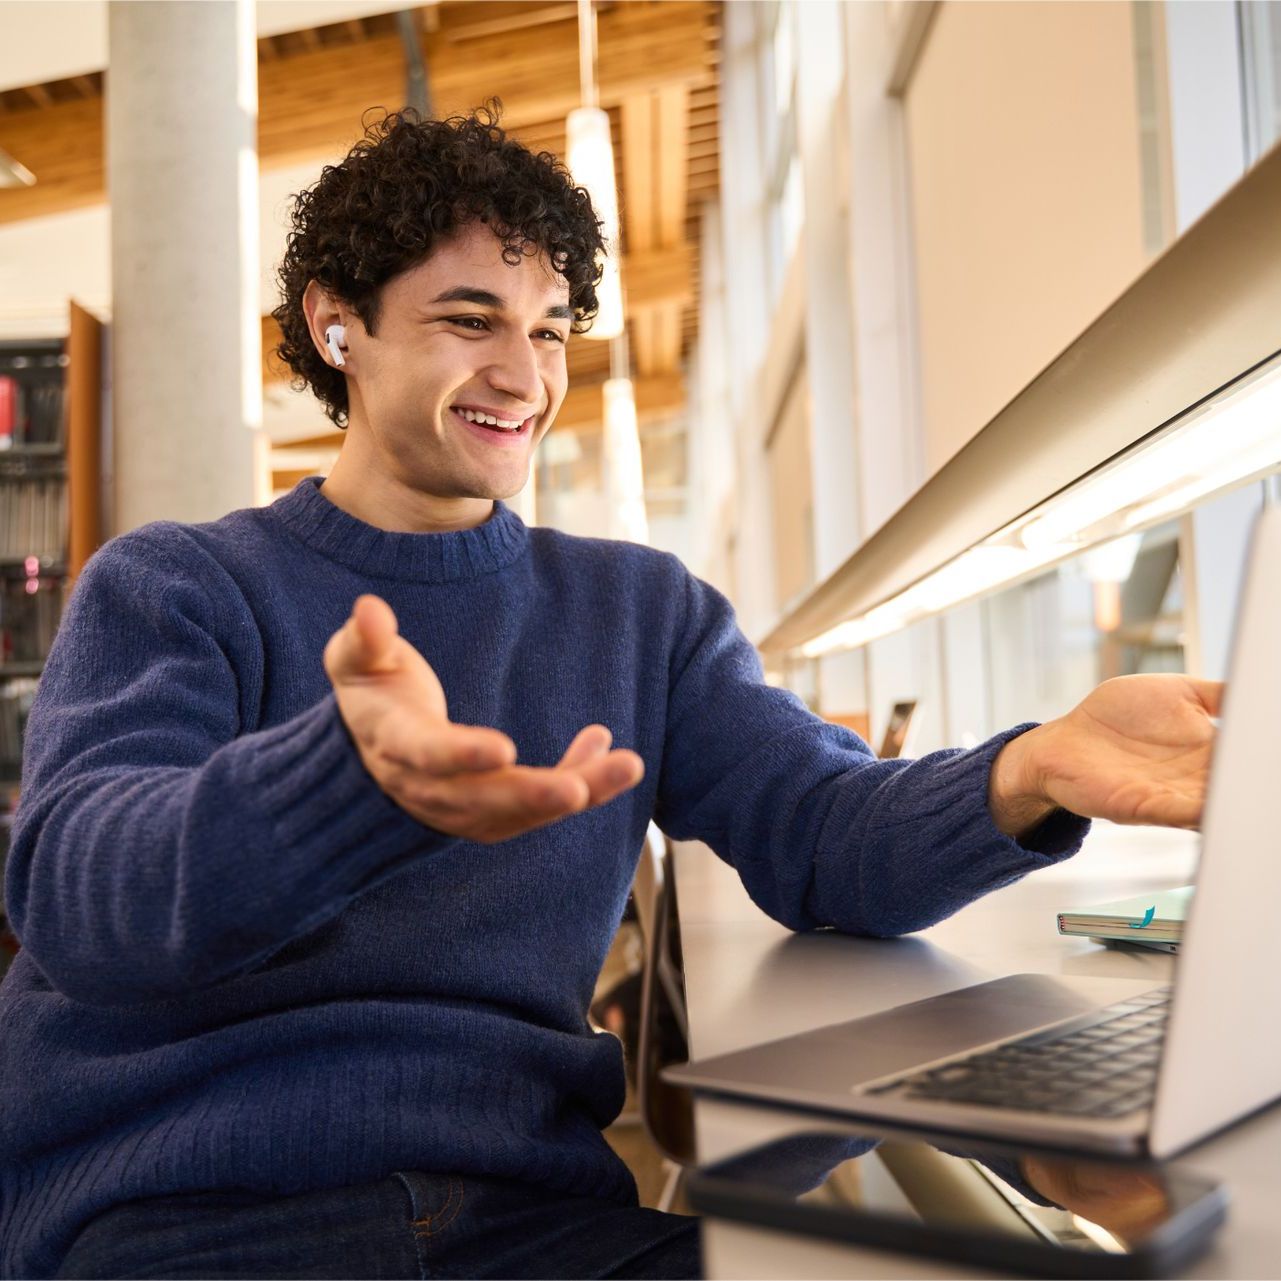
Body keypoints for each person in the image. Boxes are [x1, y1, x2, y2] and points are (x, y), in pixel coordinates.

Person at [0, 103, 1221, 1281]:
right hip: (185, 1214)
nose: (524, 374)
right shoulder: (180, 584)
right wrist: (344, 783)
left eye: (549, 330)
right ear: (338, 326)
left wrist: (1034, 768)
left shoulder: (643, 612)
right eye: (468, 319)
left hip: (528, 1223)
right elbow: (79, 899)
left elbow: (825, 838)